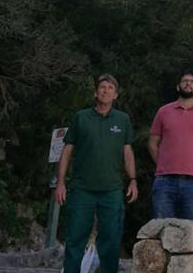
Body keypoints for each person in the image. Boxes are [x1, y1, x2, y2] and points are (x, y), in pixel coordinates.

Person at [55, 74, 138, 273]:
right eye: (102, 87)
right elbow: (67, 150)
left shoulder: (122, 120)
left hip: (112, 190)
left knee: (110, 239)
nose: (105, 90)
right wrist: (60, 182)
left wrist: (133, 180)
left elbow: (127, 151)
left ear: (115, 95)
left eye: (110, 88)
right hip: (81, 189)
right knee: (75, 237)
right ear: (95, 92)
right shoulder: (81, 117)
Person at [148, 70, 193, 221]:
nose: (188, 84)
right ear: (178, 86)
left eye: (192, 81)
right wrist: (162, 164)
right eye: (185, 81)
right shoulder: (164, 111)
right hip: (164, 181)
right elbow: (153, 143)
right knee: (161, 230)